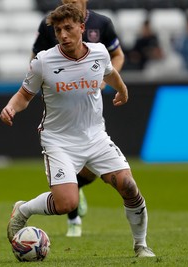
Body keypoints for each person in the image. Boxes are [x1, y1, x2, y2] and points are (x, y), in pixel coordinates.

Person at [0, 4, 155, 258]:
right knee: (67, 203)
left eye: (69, 28)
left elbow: (110, 72)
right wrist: (11, 108)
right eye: (59, 30)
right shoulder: (43, 62)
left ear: (82, 28)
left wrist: (122, 89)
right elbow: (24, 95)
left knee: (128, 185)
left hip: (95, 137)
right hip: (58, 141)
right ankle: (24, 210)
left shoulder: (99, 52)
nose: (63, 35)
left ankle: (141, 245)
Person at [31, 0, 125, 237]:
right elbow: (35, 59)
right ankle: (73, 218)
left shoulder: (102, 23)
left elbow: (117, 56)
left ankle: (75, 188)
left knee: (91, 170)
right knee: (68, 176)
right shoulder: (49, 24)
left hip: (90, 104)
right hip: (61, 104)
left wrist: (105, 79)